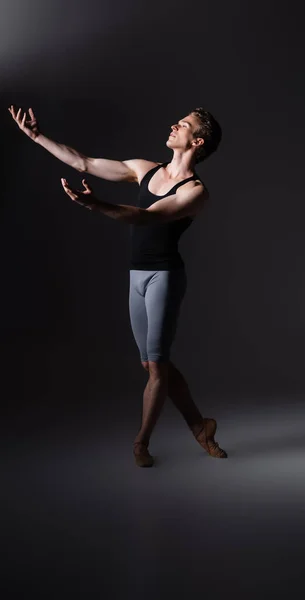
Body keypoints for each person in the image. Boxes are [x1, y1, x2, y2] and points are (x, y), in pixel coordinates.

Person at [8, 104, 227, 467]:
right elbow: (84, 163)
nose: (174, 124)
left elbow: (146, 217)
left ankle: (141, 443)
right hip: (136, 276)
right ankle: (201, 425)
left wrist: (97, 206)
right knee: (153, 364)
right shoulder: (145, 169)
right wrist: (36, 136)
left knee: (157, 367)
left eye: (184, 124)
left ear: (197, 141)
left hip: (164, 276)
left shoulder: (195, 192)